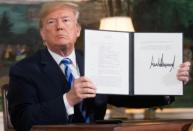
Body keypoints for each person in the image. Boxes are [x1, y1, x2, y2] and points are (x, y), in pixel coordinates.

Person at [7, 2, 191, 131]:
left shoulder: (95, 60)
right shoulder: (24, 70)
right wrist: (68, 99)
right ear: (42, 34)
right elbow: (23, 121)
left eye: (66, 20)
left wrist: (169, 84)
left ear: (77, 30)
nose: (59, 27)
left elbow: (128, 95)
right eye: (51, 22)